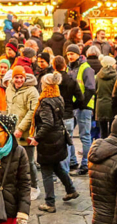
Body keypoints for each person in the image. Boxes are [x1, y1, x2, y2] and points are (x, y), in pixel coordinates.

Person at [34, 74, 79, 212]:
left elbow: (47, 124)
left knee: (47, 171)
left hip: (49, 141)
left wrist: (37, 138)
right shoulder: (58, 98)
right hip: (59, 137)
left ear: (45, 86)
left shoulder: (46, 102)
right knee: (57, 166)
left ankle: (50, 203)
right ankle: (71, 190)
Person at [6, 66, 41, 200]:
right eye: (16, 77)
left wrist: (21, 128)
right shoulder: (9, 88)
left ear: (25, 77)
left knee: (29, 161)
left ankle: (34, 186)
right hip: (12, 132)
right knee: (14, 160)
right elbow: (8, 107)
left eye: (21, 77)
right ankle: (18, 185)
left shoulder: (32, 91)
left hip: (26, 132)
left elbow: (32, 112)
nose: (19, 80)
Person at [66, 46, 96, 173]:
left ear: (78, 54)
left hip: (84, 106)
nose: (70, 56)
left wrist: (82, 103)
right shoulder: (70, 68)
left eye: (72, 54)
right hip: (74, 106)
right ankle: (72, 161)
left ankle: (85, 164)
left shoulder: (85, 68)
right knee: (69, 135)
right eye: (68, 54)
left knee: (85, 136)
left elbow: (91, 88)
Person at [53, 56, 84, 172]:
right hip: (68, 115)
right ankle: (69, 166)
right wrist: (71, 106)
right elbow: (81, 99)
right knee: (68, 142)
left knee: (57, 145)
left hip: (55, 116)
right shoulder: (71, 80)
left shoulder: (52, 81)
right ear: (65, 66)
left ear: (54, 66)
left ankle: (60, 171)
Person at [95, 56, 117, 139]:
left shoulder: (98, 76)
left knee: (103, 131)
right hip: (112, 105)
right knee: (112, 130)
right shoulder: (116, 77)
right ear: (112, 65)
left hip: (100, 105)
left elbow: (95, 89)